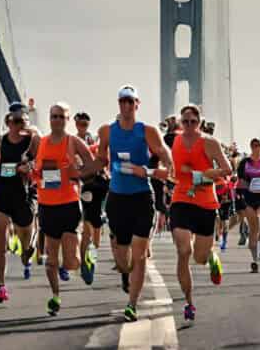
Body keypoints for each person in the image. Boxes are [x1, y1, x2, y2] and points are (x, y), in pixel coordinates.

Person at [85, 85, 172, 322]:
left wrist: (147, 170)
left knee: (140, 254)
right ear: (118, 104)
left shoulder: (148, 131)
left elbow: (168, 162)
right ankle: (125, 274)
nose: (126, 106)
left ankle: (132, 304)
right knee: (123, 259)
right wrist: (78, 172)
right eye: (122, 101)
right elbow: (101, 159)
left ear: (137, 104)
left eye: (130, 101)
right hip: (117, 199)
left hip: (142, 198)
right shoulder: (107, 131)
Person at [168, 105, 231, 322]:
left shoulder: (209, 143)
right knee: (183, 250)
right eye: (184, 122)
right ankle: (189, 302)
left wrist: (199, 175)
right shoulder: (174, 140)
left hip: (205, 204)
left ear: (199, 123)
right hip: (181, 200)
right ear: (180, 123)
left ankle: (212, 256)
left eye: (193, 122)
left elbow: (227, 170)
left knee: (199, 258)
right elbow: (167, 165)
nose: (188, 126)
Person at [32, 102, 96, 315]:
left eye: (61, 117)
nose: (57, 120)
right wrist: (31, 172)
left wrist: (76, 174)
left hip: (68, 203)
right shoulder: (40, 142)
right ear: (49, 119)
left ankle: (86, 257)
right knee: (50, 259)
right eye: (53, 116)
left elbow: (92, 166)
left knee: (71, 262)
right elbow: (36, 170)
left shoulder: (73, 141)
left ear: (68, 120)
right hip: (46, 205)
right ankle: (55, 297)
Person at [0, 102, 41, 303]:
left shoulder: (33, 141)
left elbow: (40, 161)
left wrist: (29, 166)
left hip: (24, 195)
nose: (18, 125)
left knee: (25, 235)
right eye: (14, 121)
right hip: (3, 194)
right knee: (0, 242)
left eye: (22, 121)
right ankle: (1, 286)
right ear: (8, 121)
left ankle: (26, 252)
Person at [75, 113, 107, 285]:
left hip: (97, 185)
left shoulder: (92, 139)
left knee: (95, 232)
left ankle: (92, 260)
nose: (82, 126)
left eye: (85, 124)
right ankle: (83, 265)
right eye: (80, 124)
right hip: (82, 186)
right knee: (86, 229)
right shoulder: (70, 141)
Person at [235, 138, 260, 271]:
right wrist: (244, 189)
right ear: (251, 147)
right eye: (254, 145)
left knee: (257, 225)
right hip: (247, 198)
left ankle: (255, 256)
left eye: (259, 145)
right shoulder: (245, 162)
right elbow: (240, 181)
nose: (256, 147)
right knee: (255, 226)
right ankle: (254, 258)